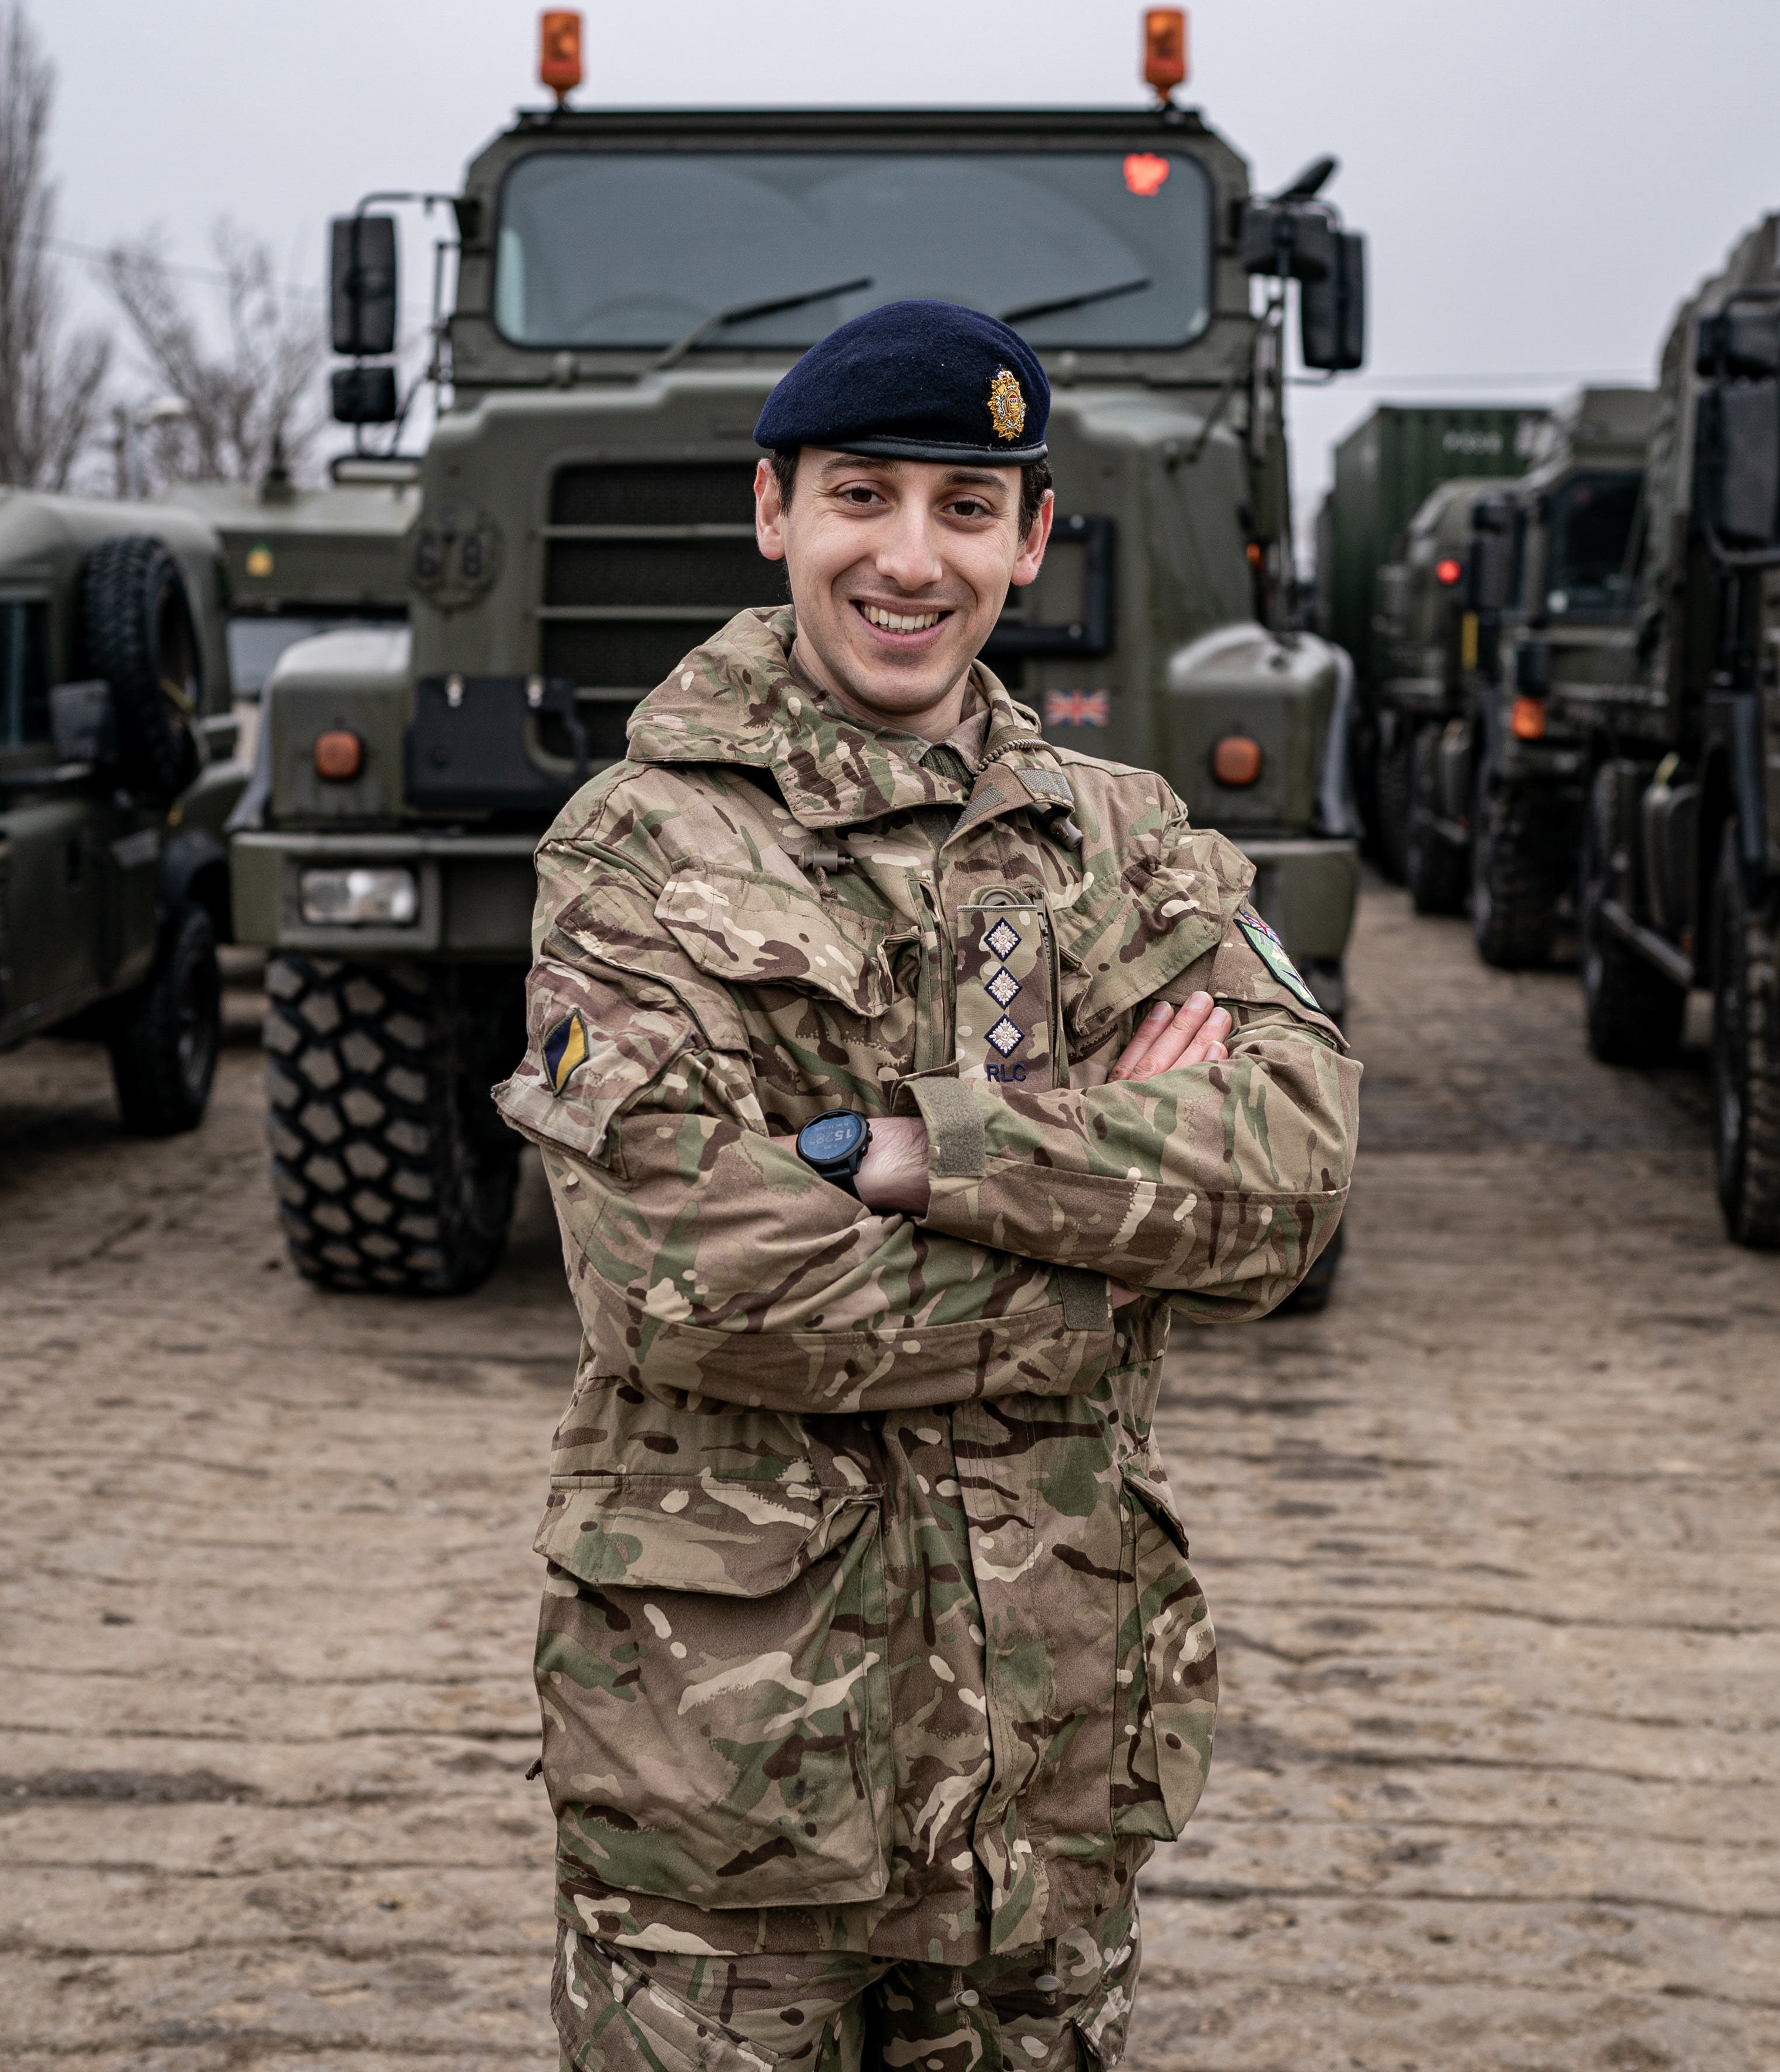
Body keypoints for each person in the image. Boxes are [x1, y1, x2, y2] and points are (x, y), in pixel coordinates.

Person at [493, 298, 1360, 2068]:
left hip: (1052, 1758)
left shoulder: (1119, 837)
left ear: (1032, 538)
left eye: (966, 508)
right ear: (774, 514)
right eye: (862, 497)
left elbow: (1291, 1177)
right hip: (731, 1778)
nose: (910, 557)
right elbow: (688, 1279)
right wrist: (1110, 1261)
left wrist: (928, 1153)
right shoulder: (637, 845)